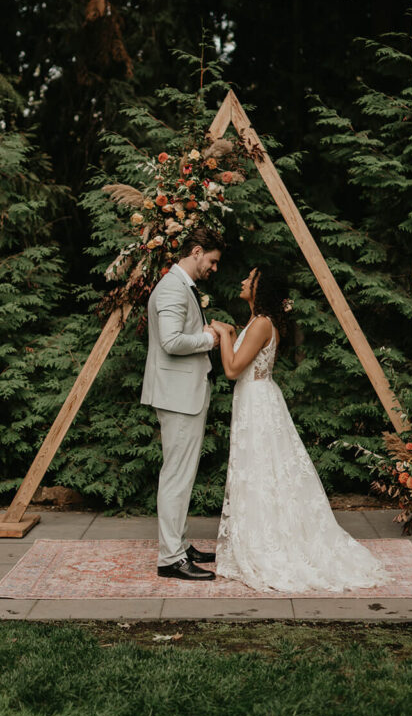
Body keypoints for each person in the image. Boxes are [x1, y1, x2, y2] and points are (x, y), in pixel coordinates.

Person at [211, 266, 391, 593]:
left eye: (248, 278)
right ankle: (266, 532)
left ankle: (268, 543)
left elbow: (232, 368)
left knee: (260, 470)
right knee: (262, 472)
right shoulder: (258, 322)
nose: (242, 280)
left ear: (259, 288)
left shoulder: (262, 323)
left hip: (257, 402)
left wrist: (224, 335)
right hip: (258, 400)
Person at [141, 229, 224, 581]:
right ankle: (170, 558)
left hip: (182, 393)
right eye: (213, 261)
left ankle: (179, 544)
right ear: (196, 251)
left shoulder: (180, 286)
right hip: (177, 397)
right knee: (176, 475)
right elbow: (172, 341)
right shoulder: (173, 288)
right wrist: (208, 338)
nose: (215, 268)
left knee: (182, 475)